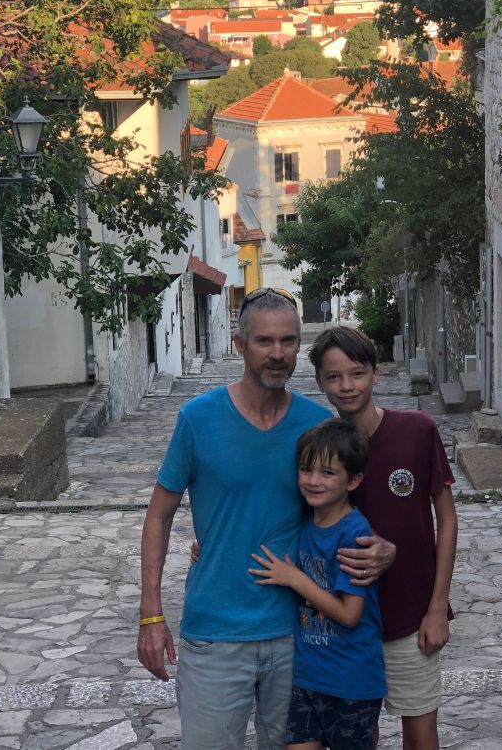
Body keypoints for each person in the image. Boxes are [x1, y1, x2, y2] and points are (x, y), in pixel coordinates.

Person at [136, 288, 394, 750]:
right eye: (265, 341)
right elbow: (158, 517)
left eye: (289, 341)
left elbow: (354, 508)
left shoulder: (317, 427)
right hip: (215, 632)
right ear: (240, 344)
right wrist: (151, 615)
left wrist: (386, 548)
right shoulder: (198, 419)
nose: (278, 354)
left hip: (298, 638)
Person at [308, 326, 458, 750]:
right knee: (356, 736)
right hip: (344, 624)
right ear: (319, 381)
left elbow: (446, 519)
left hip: (410, 616)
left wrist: (436, 607)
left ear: (376, 373)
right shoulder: (319, 454)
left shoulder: (417, 431)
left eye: (356, 373)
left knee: (421, 733)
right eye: (334, 377)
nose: (346, 386)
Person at [249, 418, 386, 750]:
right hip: (306, 678)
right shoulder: (302, 523)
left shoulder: (355, 535)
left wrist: (295, 578)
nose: (312, 481)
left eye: (327, 473)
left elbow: (350, 614)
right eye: (306, 470)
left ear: (353, 480)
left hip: (352, 681)